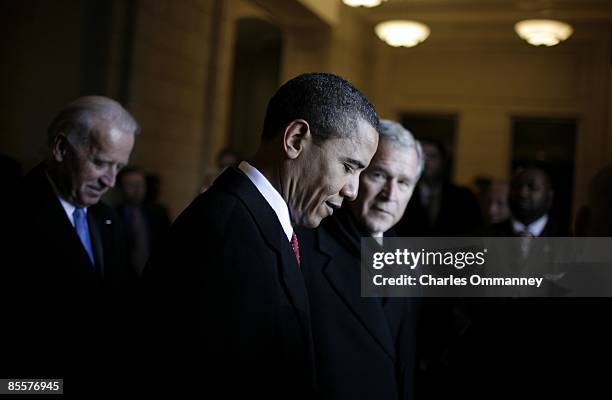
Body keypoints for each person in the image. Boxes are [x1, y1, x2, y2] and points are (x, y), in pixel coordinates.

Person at [143, 72, 379, 398]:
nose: (352, 190)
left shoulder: (256, 221)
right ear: (296, 139)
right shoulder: (227, 234)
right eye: (349, 167)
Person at [3, 96, 138, 388]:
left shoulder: (109, 221)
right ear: (61, 149)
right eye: (101, 163)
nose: (111, 181)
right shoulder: (14, 214)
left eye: (119, 168)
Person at [297, 120, 423, 399]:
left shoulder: (410, 260)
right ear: (354, 175)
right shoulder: (302, 247)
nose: (390, 195)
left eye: (404, 183)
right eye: (379, 175)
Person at [395, 139, 482, 236]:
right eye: (422, 157)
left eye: (432, 156)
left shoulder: (463, 197)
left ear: (443, 161)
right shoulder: (401, 194)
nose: (426, 162)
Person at [116, 166, 171, 276]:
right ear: (120, 187)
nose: (137, 189)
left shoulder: (159, 213)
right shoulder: (112, 215)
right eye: (131, 185)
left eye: (141, 184)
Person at [487, 166, 567, 237]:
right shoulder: (485, 237)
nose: (523, 193)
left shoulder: (567, 239)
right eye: (517, 186)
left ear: (549, 196)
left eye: (532, 188)